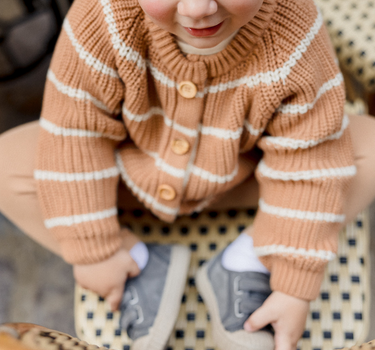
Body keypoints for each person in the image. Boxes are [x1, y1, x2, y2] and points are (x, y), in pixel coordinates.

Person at [1, 0, 375, 349]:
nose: (199, 10)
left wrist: (293, 277)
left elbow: (311, 154)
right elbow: (75, 133)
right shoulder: (103, 18)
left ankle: (250, 259)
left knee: (367, 150)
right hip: (127, 178)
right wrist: (96, 250)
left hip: (247, 177)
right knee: (7, 166)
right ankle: (138, 263)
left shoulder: (293, 31)